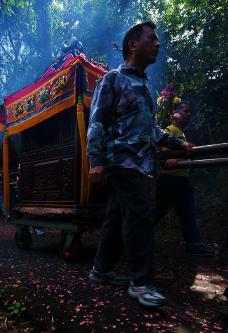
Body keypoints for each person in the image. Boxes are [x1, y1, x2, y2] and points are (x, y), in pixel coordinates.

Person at [86, 21, 194, 307]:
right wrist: (95, 160)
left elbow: (152, 130)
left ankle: (101, 269)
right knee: (141, 215)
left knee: (117, 216)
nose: (157, 43)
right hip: (122, 162)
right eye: (152, 38)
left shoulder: (145, 88)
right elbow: (96, 122)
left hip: (142, 163)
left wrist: (177, 143)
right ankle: (142, 283)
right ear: (133, 44)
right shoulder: (113, 79)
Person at [155, 103, 214, 256]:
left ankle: (194, 245)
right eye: (186, 111)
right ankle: (135, 240)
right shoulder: (170, 130)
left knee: (187, 213)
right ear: (175, 113)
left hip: (180, 179)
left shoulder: (180, 132)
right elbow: (161, 150)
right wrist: (170, 159)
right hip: (170, 180)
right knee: (157, 213)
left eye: (189, 111)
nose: (188, 114)